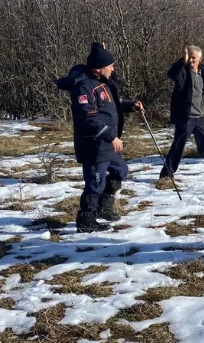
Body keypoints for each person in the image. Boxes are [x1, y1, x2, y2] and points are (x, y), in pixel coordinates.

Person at [55, 42, 144, 233]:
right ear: (98, 67)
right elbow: (88, 118)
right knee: (95, 183)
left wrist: (130, 106)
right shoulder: (84, 87)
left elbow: (111, 105)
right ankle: (86, 220)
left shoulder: (103, 82)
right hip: (94, 145)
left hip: (108, 144)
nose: (113, 68)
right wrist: (111, 136)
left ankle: (105, 208)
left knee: (121, 170)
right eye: (109, 65)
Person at [160, 45, 204, 178]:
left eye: (194, 58)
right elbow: (172, 74)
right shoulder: (183, 71)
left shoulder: (202, 73)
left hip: (199, 116)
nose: (191, 61)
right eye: (190, 58)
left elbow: (202, 90)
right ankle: (166, 174)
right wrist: (182, 60)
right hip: (185, 117)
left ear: (200, 58)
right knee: (178, 145)